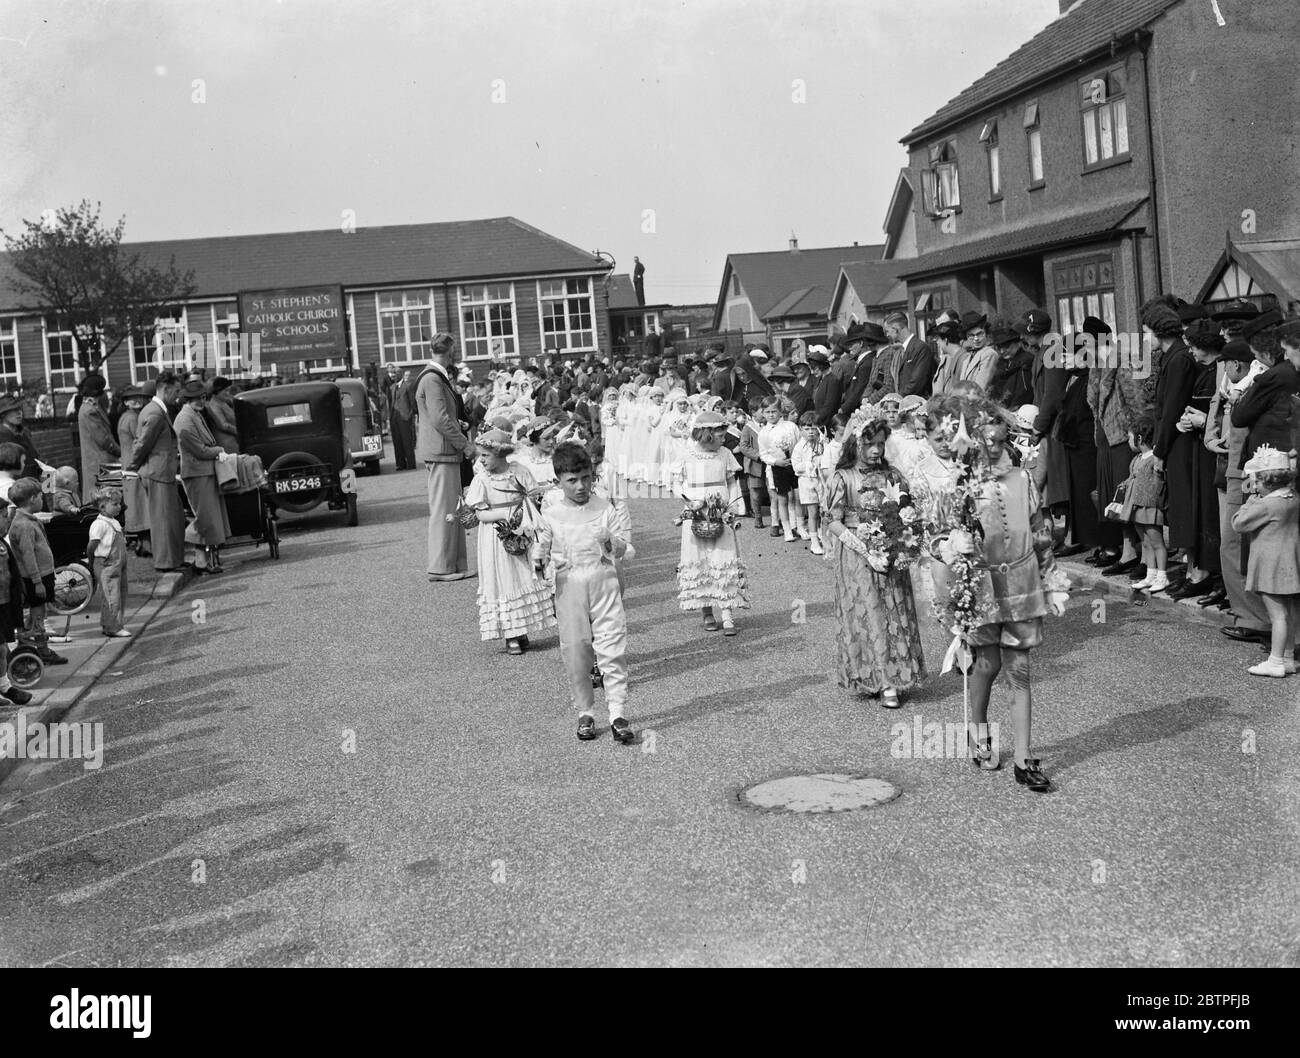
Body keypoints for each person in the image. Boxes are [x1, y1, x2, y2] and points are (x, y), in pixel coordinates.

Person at [931, 402, 1069, 791]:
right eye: (986, 441)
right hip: (982, 588)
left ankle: (1024, 760)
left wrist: (1052, 579)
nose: (995, 448)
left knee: (1020, 671)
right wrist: (952, 562)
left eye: (1000, 439)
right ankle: (977, 728)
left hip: (1023, 586)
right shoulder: (961, 485)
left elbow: (1040, 532)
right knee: (988, 666)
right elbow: (940, 538)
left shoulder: (1024, 480)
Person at [535, 442, 634, 744]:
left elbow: (626, 549)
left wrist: (611, 542)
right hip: (570, 584)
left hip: (604, 579)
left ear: (593, 476)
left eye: (586, 478)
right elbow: (541, 549)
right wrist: (540, 559)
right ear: (558, 481)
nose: (581, 486)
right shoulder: (550, 513)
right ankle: (585, 712)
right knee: (577, 649)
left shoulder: (605, 508)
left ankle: (617, 712)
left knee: (611, 645)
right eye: (572, 480)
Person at [825, 417, 927, 708]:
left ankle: (895, 676)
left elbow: (908, 509)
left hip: (891, 547)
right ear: (856, 444)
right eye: (869, 444)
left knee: (895, 611)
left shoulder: (892, 474)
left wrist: (906, 543)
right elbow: (832, 521)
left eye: (880, 444)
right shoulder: (842, 477)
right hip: (857, 552)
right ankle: (878, 679)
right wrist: (865, 550)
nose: (875, 450)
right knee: (868, 612)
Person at [463, 429, 556, 655]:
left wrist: (531, 517)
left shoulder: (519, 472)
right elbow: (480, 514)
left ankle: (521, 629)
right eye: (480, 456)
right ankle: (511, 635)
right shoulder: (482, 479)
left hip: (521, 529)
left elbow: (533, 496)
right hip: (496, 536)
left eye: (485, 455)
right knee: (503, 579)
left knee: (522, 575)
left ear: (501, 453)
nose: (481, 460)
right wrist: (502, 517)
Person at [671, 410, 749, 635]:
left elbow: (732, 481)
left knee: (723, 558)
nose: (724, 440)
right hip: (696, 511)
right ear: (707, 434)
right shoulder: (686, 455)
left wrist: (735, 504)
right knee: (700, 560)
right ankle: (706, 611)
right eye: (721, 436)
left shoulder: (724, 454)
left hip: (720, 510)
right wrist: (689, 500)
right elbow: (676, 483)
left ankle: (727, 613)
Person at [1231, 446, 1300, 677]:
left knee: (1277, 615)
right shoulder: (1292, 498)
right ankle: (1288, 657)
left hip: (1271, 566)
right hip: (1290, 564)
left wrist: (1250, 501)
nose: (1255, 486)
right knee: (1289, 613)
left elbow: (1239, 524)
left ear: (1267, 481)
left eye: (1257, 481)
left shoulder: (1264, 504)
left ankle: (1275, 661)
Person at [416, 334, 477, 582]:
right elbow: (440, 419)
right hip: (443, 453)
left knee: (453, 509)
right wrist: (465, 445)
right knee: (444, 510)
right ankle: (440, 567)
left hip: (445, 452)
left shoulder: (434, 377)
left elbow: (441, 416)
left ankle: (453, 564)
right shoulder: (432, 379)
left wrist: (458, 424)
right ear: (450, 351)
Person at [126, 371, 186, 572]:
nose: (177, 395)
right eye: (175, 391)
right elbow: (142, 444)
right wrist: (133, 467)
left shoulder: (157, 410)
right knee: (162, 520)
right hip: (157, 472)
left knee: (171, 517)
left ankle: (174, 560)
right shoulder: (154, 413)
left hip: (161, 471)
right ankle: (166, 563)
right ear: (166, 389)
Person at [174, 378, 231, 575]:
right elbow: (199, 450)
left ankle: (202, 561)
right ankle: (197, 556)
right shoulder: (184, 419)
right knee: (205, 518)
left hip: (203, 471)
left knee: (209, 517)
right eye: (194, 398)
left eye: (202, 397)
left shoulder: (193, 414)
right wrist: (219, 450)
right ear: (186, 399)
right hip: (196, 473)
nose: (200, 400)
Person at [7, 477, 66, 665]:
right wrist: (37, 582)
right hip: (36, 578)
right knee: (39, 614)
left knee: (39, 614)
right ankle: (41, 650)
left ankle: (34, 646)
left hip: (42, 575)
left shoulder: (27, 520)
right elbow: (28, 556)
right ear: (33, 498)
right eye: (41, 497)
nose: (43, 500)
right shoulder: (24, 525)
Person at [1123, 416, 1171, 593]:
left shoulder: (1155, 459)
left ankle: (1162, 576)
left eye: (1130, 437)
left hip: (1150, 506)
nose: (1129, 440)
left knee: (1157, 542)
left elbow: (1160, 481)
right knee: (1145, 542)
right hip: (1136, 506)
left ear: (1140, 438)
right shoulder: (1137, 458)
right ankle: (1150, 575)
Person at [85, 486, 131, 638]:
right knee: (112, 596)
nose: (119, 507)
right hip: (107, 564)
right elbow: (92, 545)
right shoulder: (99, 524)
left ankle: (111, 623)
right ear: (103, 507)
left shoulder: (113, 521)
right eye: (115, 504)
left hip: (119, 564)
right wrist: (91, 561)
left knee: (120, 593)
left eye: (119, 504)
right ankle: (113, 627)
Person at [0, 496, 31, 704]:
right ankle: (5, 687)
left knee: (2, 648)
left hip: (3, 604)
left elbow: (12, 572)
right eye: (3, 517)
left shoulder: (2, 543)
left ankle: (3, 686)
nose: (7, 521)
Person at [758, 396, 801, 541]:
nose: (771, 415)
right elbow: (763, 454)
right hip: (776, 467)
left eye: (774, 411)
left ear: (780, 411)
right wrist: (776, 462)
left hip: (793, 465)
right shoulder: (764, 432)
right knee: (781, 498)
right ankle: (787, 529)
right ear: (763, 413)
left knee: (795, 497)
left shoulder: (790, 427)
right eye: (767, 412)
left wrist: (795, 459)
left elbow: (799, 444)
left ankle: (798, 526)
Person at [115, 385, 150, 551]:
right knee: (140, 503)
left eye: (139, 397)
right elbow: (140, 440)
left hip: (128, 464)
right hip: (135, 464)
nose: (137, 400)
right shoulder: (132, 418)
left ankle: (142, 543)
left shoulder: (124, 417)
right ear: (126, 402)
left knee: (135, 502)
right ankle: (146, 544)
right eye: (132, 398)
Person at [76, 373, 120, 503]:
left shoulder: (90, 408)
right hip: (100, 463)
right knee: (105, 501)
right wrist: (120, 452)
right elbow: (103, 439)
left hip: (99, 462)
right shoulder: (90, 411)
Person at [792, 412, 825, 555]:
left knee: (823, 511)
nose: (811, 432)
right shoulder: (799, 447)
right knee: (812, 512)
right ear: (801, 429)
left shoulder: (821, 443)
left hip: (821, 481)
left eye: (813, 428)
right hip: (807, 482)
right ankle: (814, 542)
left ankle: (822, 535)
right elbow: (796, 467)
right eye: (807, 429)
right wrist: (809, 465)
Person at [884, 310, 936, 398]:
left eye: (888, 331)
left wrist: (898, 397)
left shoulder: (920, 348)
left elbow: (917, 381)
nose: (887, 335)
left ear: (896, 328)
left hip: (917, 403)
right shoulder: (901, 351)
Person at [986, 322, 1034, 409]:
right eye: (998, 347)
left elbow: (1023, 394)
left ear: (1018, 343)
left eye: (1006, 346)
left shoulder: (1026, 362)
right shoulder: (1002, 362)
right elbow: (994, 389)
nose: (1001, 351)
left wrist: (1008, 415)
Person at [0, 396, 42, 480]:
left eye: (20, 409)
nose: (19, 412)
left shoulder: (25, 432)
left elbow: (38, 460)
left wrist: (49, 489)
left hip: (35, 481)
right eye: (14, 410)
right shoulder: (2, 434)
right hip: (15, 486)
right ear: (3, 414)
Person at [390, 368, 418, 471]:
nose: (394, 376)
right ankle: (400, 463)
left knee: (407, 440)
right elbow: (391, 402)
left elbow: (412, 401)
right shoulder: (392, 387)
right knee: (397, 441)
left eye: (396, 373)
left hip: (405, 416)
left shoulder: (408, 386)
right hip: (394, 416)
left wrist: (411, 414)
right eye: (393, 374)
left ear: (401, 374)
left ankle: (411, 463)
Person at [206, 377, 240, 454]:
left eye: (229, 390)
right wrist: (240, 432)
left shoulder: (223, 402)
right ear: (217, 391)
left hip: (233, 442)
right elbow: (223, 425)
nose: (228, 393)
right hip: (227, 445)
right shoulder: (214, 405)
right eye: (225, 391)